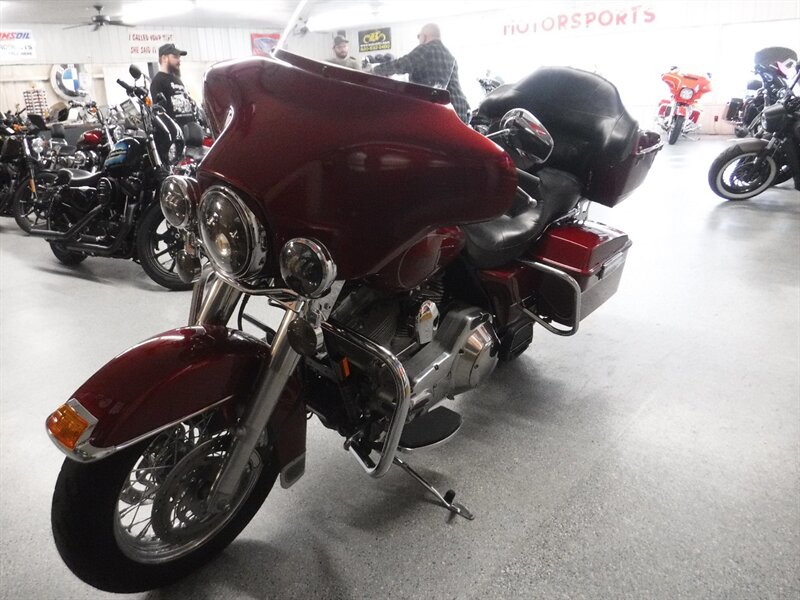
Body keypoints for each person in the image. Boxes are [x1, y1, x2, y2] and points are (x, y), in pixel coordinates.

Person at [371, 23, 470, 123]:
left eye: (419, 36)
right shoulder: (449, 55)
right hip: (460, 109)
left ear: (424, 36)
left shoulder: (426, 50)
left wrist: (374, 70)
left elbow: (401, 64)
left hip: (444, 112)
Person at [149, 43, 196, 125]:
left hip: (190, 128)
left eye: (179, 57)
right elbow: (160, 113)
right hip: (176, 130)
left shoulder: (178, 80)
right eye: (175, 57)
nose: (179, 60)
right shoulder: (157, 81)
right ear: (164, 58)